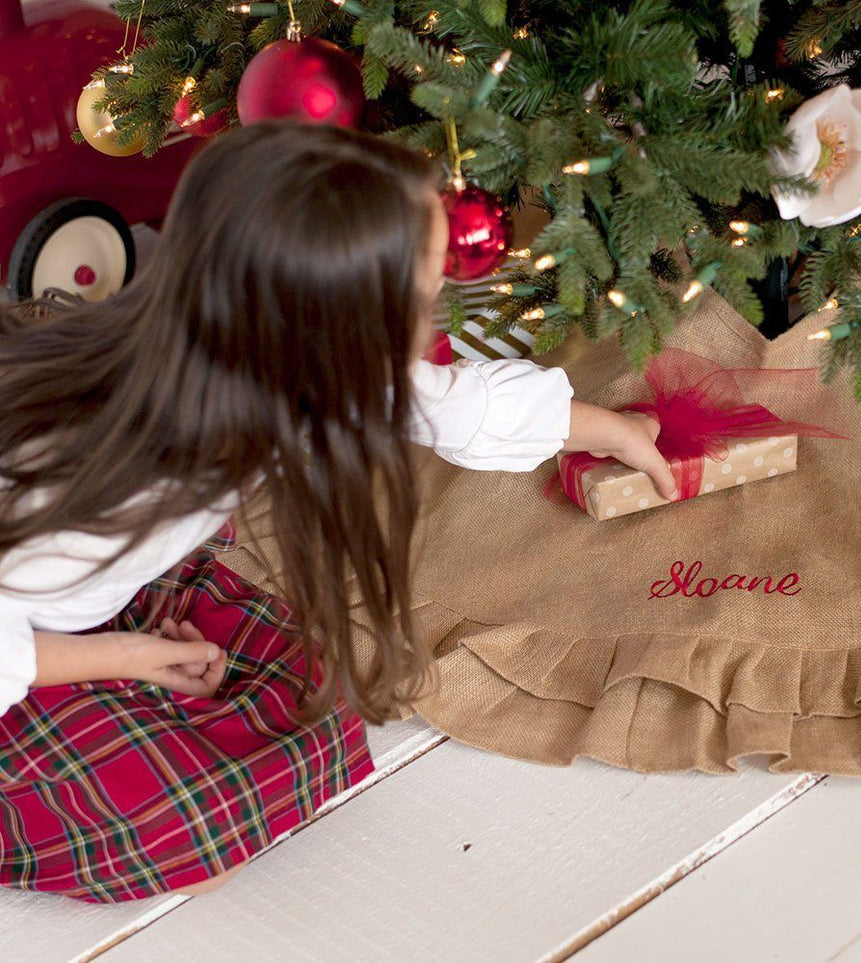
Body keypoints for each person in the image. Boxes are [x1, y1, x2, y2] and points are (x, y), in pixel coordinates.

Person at [0, 121, 679, 902]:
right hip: (25, 646)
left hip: (85, 601)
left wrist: (616, 431)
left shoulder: (258, 358)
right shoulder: (106, 484)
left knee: (309, 695)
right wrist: (131, 657)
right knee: (188, 823)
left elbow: (451, 407)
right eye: (417, 309)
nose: (430, 331)